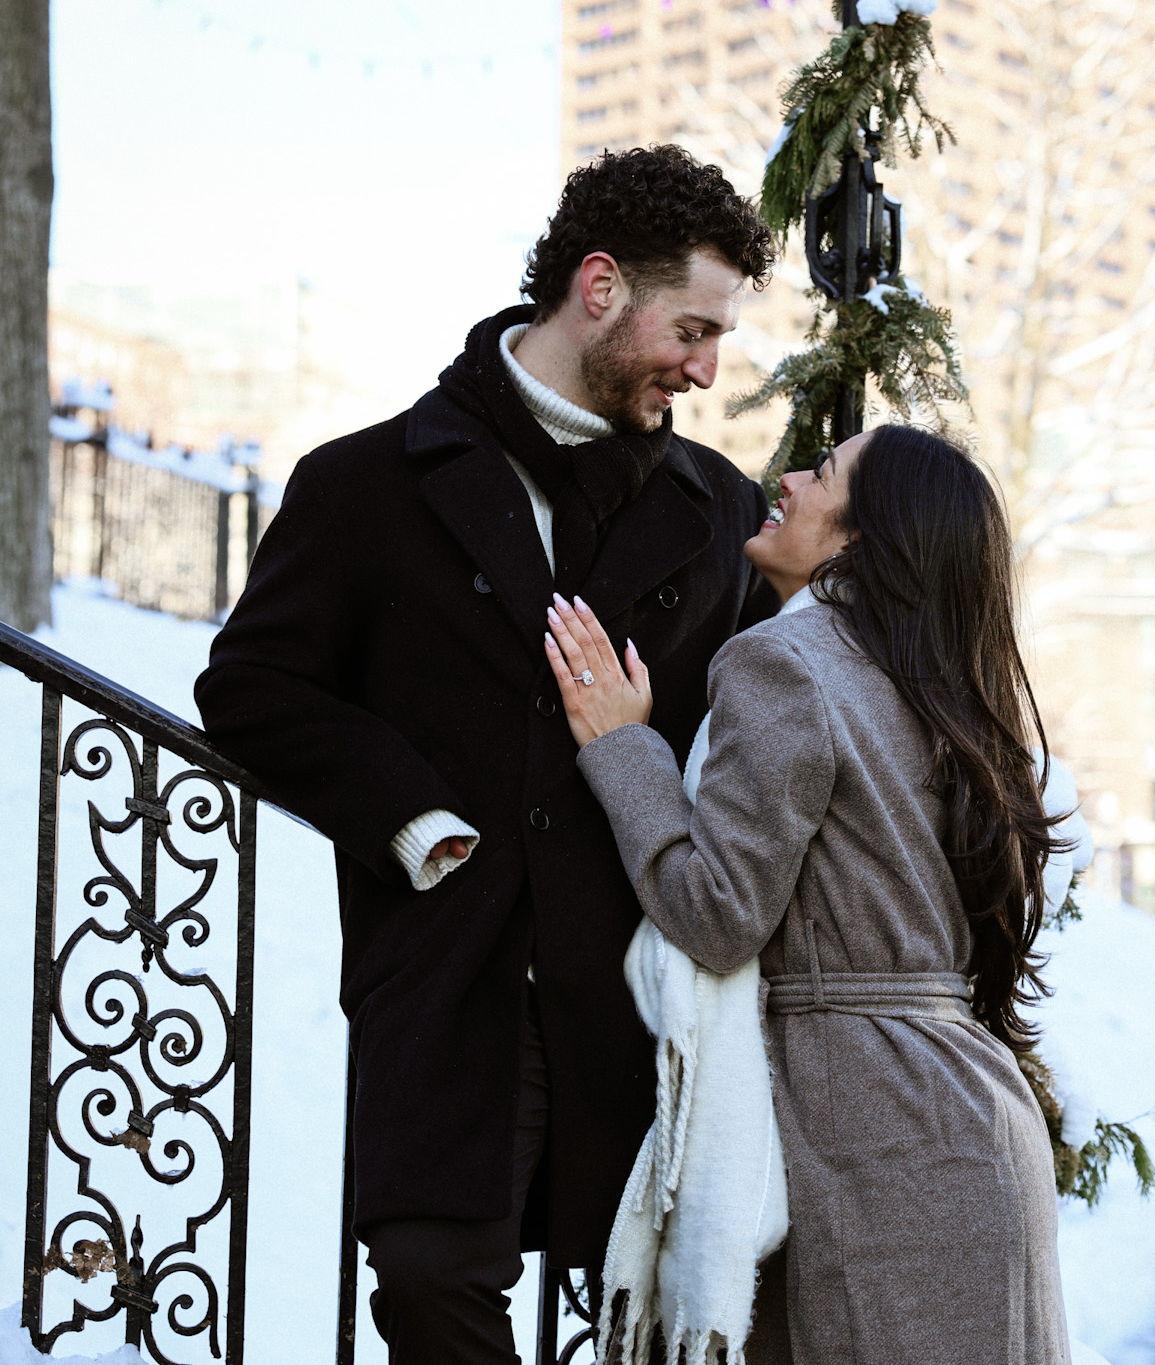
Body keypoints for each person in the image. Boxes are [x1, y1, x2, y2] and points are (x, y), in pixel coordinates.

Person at [193, 144, 778, 1361]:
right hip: (449, 977)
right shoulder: (363, 485)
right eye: (693, 330)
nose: (707, 371)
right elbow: (251, 687)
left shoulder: (720, 511)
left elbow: (762, 726)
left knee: (671, 1310)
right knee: (426, 1283)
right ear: (600, 287)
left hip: (636, 990)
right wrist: (411, 817)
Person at [546, 424, 1073, 1364]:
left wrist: (622, 749)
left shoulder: (785, 662)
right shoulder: (942, 678)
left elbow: (718, 914)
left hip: (870, 1126)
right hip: (968, 1115)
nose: (786, 478)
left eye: (822, 472)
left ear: (860, 537)